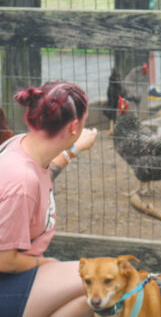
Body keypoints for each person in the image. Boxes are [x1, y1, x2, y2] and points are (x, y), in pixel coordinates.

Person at [0, 81, 98, 317]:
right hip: (5, 275)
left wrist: (72, 151)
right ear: (74, 126)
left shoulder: (22, 144)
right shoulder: (21, 181)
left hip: (13, 275)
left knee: (90, 299)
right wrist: (49, 264)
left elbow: (44, 171)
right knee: (99, 281)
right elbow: (4, 260)